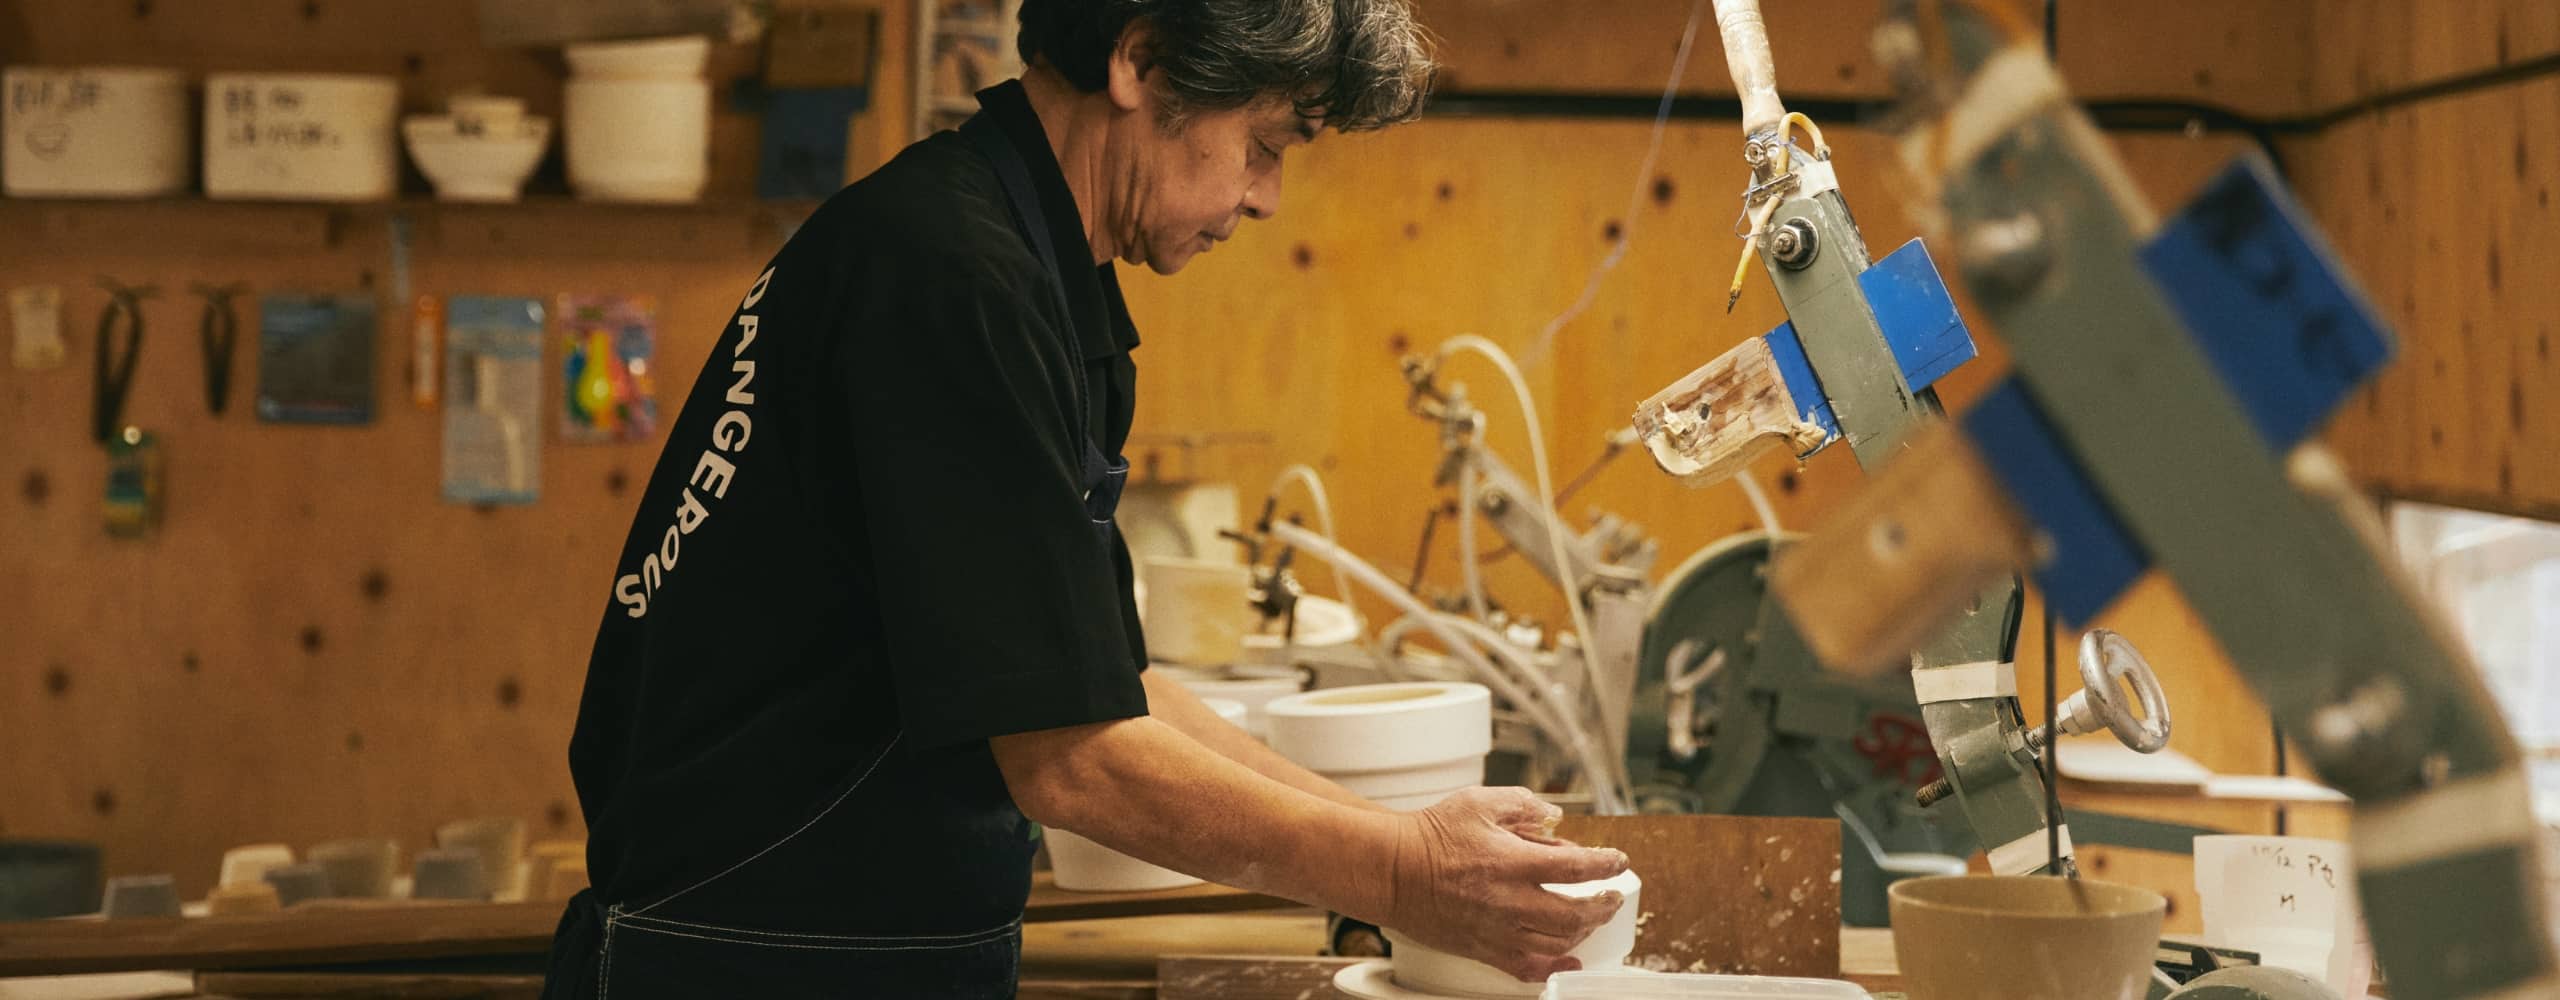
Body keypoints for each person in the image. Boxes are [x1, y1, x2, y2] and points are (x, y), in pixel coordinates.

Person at [542, 2, 1628, 995]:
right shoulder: (947, 273)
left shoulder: (1036, 273)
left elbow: (1111, 687)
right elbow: (1070, 755)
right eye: (1264, 144)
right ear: (1139, 60)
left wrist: (1405, 844)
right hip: (746, 954)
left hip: (859, 943)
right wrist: (1396, 873)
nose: (1266, 197)